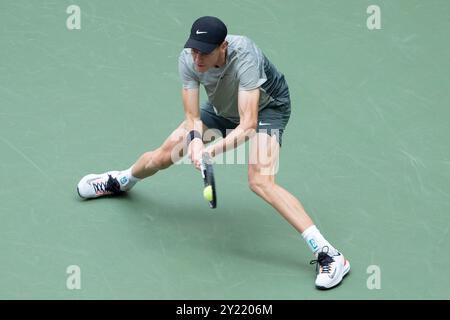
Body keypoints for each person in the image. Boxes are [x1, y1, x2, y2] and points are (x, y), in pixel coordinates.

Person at [76, 16, 350, 289]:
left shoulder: (245, 56)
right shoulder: (188, 58)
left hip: (267, 109)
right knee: (165, 154)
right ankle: (121, 181)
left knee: (259, 181)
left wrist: (209, 151)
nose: (197, 59)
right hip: (221, 107)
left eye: (204, 52)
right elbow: (192, 115)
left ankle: (329, 254)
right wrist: (195, 141)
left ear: (223, 46)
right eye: (194, 50)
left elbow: (247, 125)